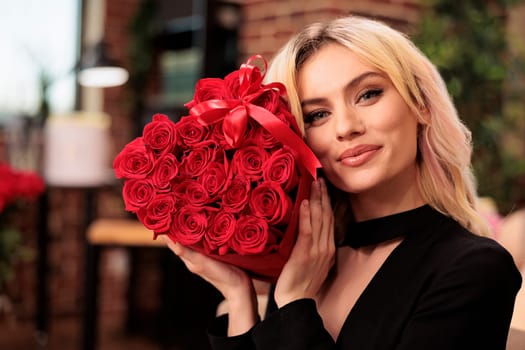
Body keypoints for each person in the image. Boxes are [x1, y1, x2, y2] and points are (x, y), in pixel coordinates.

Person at [161, 15, 522, 349]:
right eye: (318, 115)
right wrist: (239, 296)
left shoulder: (475, 268)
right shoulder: (309, 258)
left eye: (368, 94)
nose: (347, 127)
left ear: (421, 103)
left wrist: (295, 304)